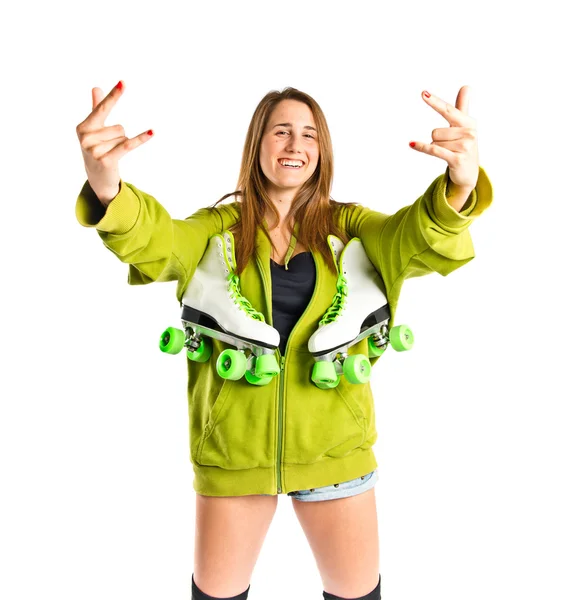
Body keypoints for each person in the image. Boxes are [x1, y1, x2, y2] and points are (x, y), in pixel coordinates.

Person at [75, 81, 493, 600]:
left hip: (336, 452)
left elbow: (418, 233)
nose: (296, 145)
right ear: (258, 145)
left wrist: (459, 185)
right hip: (233, 454)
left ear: (322, 151)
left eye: (309, 135)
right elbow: (155, 239)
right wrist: (107, 185)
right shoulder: (214, 231)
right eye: (281, 132)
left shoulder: (354, 228)